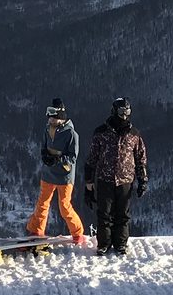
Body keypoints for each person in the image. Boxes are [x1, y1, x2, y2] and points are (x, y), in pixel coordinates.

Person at [85, 97, 148, 257]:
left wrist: (143, 179)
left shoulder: (134, 134)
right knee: (104, 213)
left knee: (123, 214)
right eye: (121, 111)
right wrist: (88, 183)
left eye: (127, 111)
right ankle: (104, 244)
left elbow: (141, 158)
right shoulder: (101, 133)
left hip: (126, 180)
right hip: (105, 179)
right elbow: (92, 158)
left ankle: (121, 244)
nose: (125, 115)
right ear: (114, 111)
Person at [26, 98, 86, 244]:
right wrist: (45, 156)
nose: (50, 120)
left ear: (60, 117)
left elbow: (73, 157)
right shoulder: (48, 129)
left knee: (64, 206)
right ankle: (36, 231)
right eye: (49, 117)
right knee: (42, 203)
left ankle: (78, 233)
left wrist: (58, 160)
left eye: (53, 117)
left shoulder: (71, 134)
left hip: (64, 175)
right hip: (48, 173)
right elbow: (44, 146)